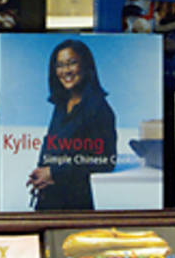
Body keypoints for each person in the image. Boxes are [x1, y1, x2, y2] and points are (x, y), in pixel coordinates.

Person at [26, 39, 117, 210]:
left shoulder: (99, 109)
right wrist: (41, 172)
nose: (66, 71)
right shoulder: (62, 104)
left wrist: (53, 173)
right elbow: (51, 143)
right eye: (60, 65)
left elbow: (106, 161)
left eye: (72, 63)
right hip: (50, 198)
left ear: (86, 66)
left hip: (75, 204)